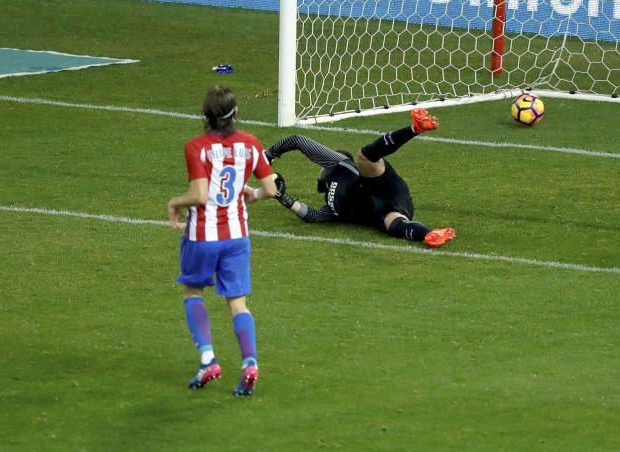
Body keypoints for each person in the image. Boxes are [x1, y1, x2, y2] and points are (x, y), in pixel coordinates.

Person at [167, 86, 279, 397]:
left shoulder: (197, 147)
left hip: (202, 235)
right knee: (238, 302)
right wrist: (251, 196)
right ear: (236, 111)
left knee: (193, 291)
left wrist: (176, 201)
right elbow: (270, 190)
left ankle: (208, 360)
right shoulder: (251, 143)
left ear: (206, 115)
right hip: (237, 236)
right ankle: (250, 362)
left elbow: (200, 196)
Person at [264, 108, 457, 248]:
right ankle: (430, 233)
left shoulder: (338, 164)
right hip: (381, 211)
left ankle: (415, 129)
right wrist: (283, 197)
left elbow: (298, 140)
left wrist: (268, 155)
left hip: (380, 186)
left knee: (365, 157)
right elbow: (313, 217)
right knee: (395, 224)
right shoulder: (331, 209)